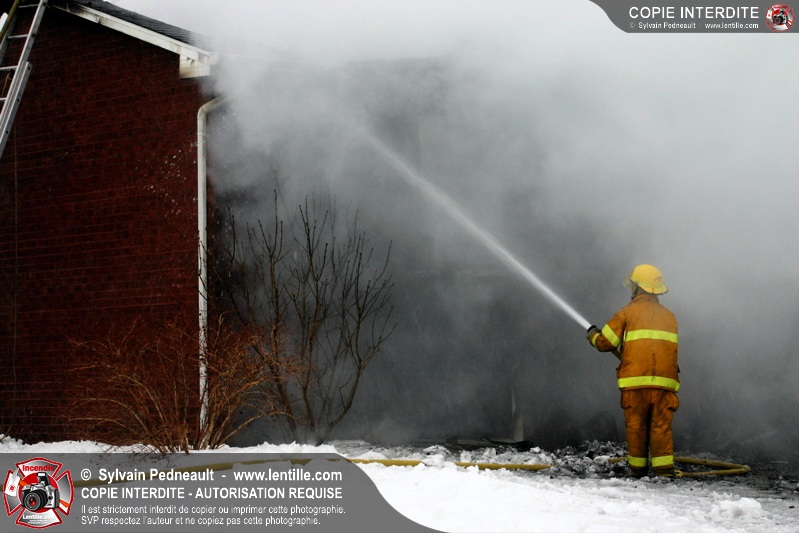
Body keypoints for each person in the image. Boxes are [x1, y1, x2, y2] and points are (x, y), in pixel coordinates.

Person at [586, 264, 680, 478]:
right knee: (660, 427)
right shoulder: (670, 316)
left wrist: (592, 335)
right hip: (665, 385)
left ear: (638, 287)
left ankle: (638, 472)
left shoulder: (626, 313)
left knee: (636, 427)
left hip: (635, 384)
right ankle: (664, 472)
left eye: (633, 286)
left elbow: (605, 343)